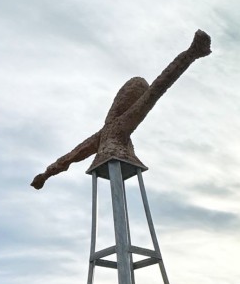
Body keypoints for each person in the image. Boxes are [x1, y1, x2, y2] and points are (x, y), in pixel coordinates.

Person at [31, 30, 211, 190]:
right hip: (109, 160)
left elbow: (160, 85)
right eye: (121, 96)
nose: (119, 101)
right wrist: (46, 175)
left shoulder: (122, 123)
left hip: (118, 159)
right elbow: (71, 156)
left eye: (126, 96)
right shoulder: (106, 131)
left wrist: (191, 53)